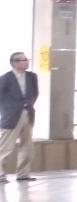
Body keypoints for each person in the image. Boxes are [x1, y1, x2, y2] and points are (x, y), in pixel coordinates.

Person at [0, 52, 39, 183]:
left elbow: (35, 93)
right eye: (23, 60)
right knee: (5, 147)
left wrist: (28, 104)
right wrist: (8, 109)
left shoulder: (32, 76)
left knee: (27, 146)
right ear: (15, 63)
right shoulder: (5, 78)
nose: (26, 62)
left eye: (27, 59)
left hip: (27, 113)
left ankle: (23, 174)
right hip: (11, 116)